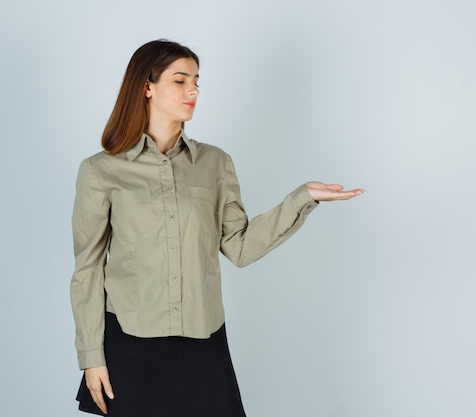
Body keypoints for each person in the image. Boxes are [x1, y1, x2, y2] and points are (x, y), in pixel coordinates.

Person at [70, 39, 364, 417]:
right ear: (147, 86)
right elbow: (88, 270)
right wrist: (91, 357)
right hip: (130, 345)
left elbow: (239, 247)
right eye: (180, 80)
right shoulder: (100, 170)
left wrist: (302, 198)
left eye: (196, 81)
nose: (193, 90)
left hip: (203, 344)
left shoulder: (215, 163)